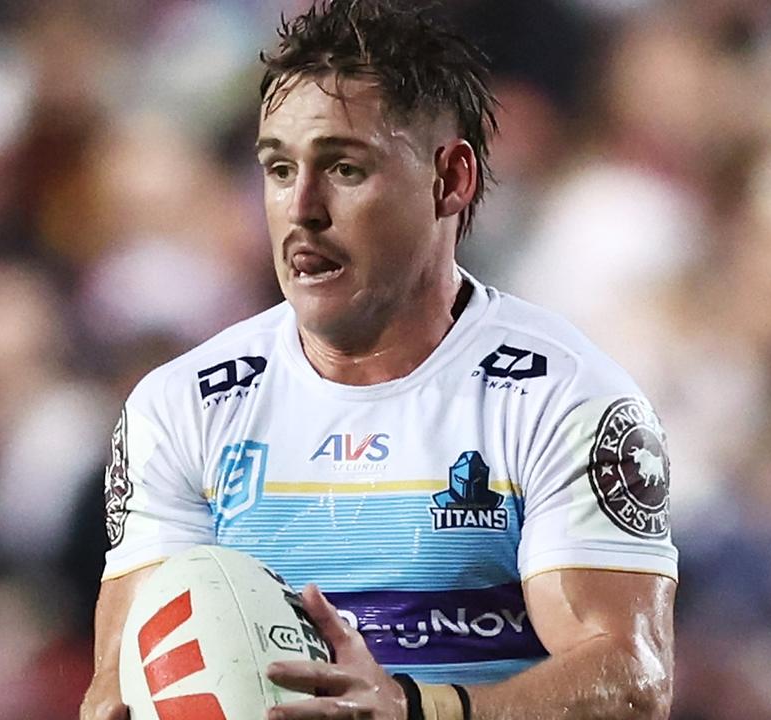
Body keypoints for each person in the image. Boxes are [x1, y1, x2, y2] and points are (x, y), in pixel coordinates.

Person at [80, 1, 676, 718]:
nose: (302, 208)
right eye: (277, 168)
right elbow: (120, 693)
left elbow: (630, 679)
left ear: (449, 179)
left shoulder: (565, 401)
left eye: (344, 167)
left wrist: (416, 710)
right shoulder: (180, 407)